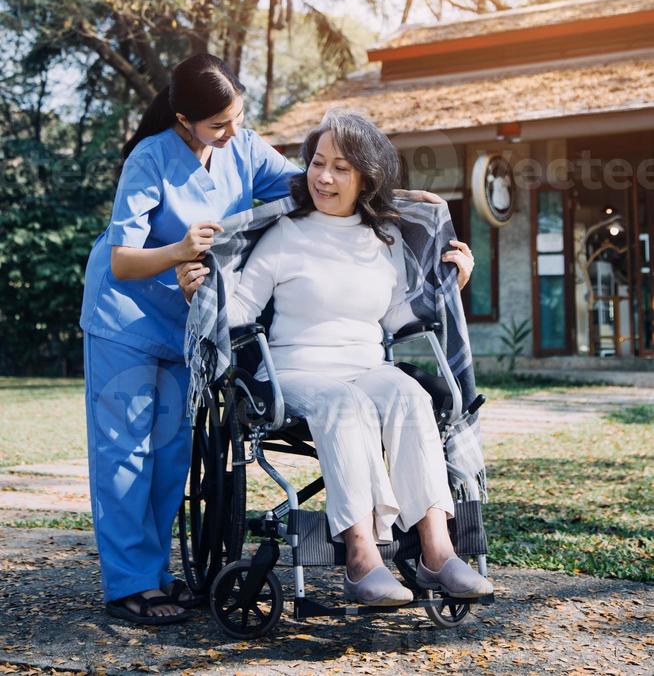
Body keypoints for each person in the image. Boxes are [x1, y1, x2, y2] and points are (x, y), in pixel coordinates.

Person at [81, 54, 472, 627]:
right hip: (128, 317)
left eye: (238, 116)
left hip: (192, 323)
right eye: (219, 124)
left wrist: (399, 197)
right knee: (126, 456)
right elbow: (121, 260)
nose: (234, 131)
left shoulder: (240, 146)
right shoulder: (149, 158)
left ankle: (158, 577)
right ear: (185, 119)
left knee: (169, 455)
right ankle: (129, 586)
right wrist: (180, 253)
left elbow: (314, 182)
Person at [178, 111, 490, 606]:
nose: (323, 177)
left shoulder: (383, 239)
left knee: (409, 394)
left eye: (341, 167)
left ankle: (438, 551)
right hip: (294, 371)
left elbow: (396, 317)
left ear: (366, 176)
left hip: (366, 367)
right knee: (344, 402)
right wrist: (202, 293)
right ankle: (362, 559)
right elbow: (241, 309)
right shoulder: (285, 234)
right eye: (317, 163)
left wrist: (457, 282)